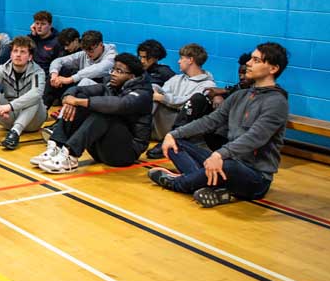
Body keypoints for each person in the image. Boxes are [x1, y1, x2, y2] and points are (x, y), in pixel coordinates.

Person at [148, 43, 289, 208]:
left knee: (228, 165)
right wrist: (174, 134)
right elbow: (210, 121)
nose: (249, 63)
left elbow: (254, 138)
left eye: (256, 60)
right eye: (251, 58)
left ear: (273, 68)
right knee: (175, 144)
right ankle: (214, 188)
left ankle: (178, 183)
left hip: (254, 176)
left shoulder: (277, 102)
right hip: (226, 160)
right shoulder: (240, 96)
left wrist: (219, 155)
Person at [35, 53, 152, 174]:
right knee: (79, 102)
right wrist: (70, 98)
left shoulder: (143, 93)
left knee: (104, 112)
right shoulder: (110, 85)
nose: (113, 73)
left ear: (132, 77)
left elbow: (119, 104)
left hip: (125, 153)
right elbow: (78, 90)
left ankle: (71, 155)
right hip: (100, 150)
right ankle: (56, 147)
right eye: (113, 69)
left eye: (119, 71)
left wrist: (79, 101)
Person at [148, 43, 216, 152]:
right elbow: (162, 92)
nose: (178, 61)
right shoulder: (177, 78)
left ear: (190, 60)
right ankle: (137, 131)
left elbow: (187, 103)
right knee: (151, 90)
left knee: (157, 98)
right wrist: (153, 89)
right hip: (162, 121)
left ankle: (168, 139)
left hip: (181, 124)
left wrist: (162, 98)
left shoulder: (208, 85)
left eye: (181, 58)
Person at [0, 36, 46, 150]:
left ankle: (15, 133)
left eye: (23, 52)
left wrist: (9, 106)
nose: (18, 55)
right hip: (8, 118)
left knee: (34, 98)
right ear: (10, 54)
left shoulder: (38, 72)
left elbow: (36, 93)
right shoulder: (1, 69)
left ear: (30, 57)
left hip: (32, 121)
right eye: (15, 51)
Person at [46, 30, 117, 105]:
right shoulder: (84, 54)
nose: (88, 53)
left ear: (100, 45)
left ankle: (66, 111)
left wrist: (70, 79)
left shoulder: (112, 56)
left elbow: (99, 69)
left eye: (91, 50)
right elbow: (59, 61)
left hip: (102, 92)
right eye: (85, 50)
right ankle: (45, 107)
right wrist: (54, 75)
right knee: (55, 75)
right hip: (82, 89)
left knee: (84, 82)